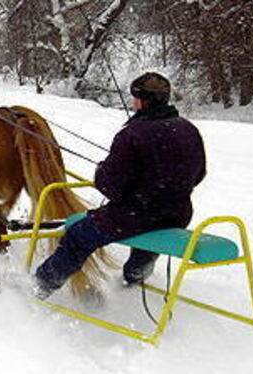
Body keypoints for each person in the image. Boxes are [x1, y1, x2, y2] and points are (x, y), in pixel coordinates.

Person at [33, 72, 207, 300]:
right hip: (177, 214)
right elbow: (199, 173)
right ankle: (135, 275)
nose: (133, 103)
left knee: (78, 235)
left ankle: (41, 285)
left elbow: (110, 186)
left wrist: (101, 171)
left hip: (134, 217)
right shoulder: (188, 129)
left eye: (136, 98)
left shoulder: (132, 135)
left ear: (143, 101)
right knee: (150, 233)